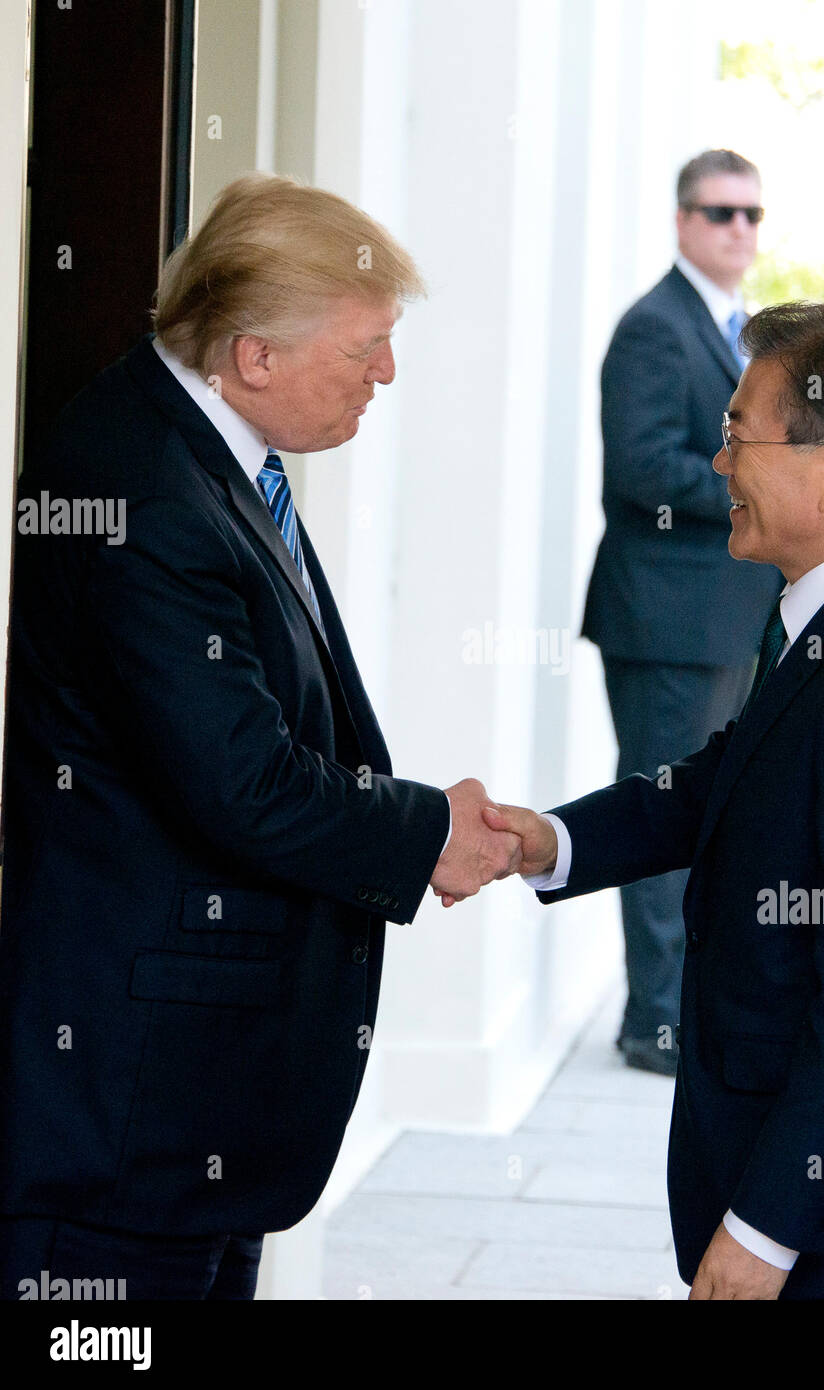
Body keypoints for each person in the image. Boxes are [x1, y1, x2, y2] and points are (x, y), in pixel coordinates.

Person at [0, 173, 518, 1301]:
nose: (386, 374)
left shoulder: (205, 454)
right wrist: (428, 829)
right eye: (367, 346)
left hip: (196, 1115)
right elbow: (242, 781)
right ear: (254, 355)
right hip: (131, 1123)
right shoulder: (140, 486)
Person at [478, 301, 824, 1299]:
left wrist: (773, 1222)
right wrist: (551, 840)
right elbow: (730, 778)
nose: (719, 461)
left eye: (739, 434)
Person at [581, 149, 782, 1077]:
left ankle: (678, 1009)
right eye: (719, 212)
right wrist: (753, 478)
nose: (738, 229)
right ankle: (652, 1022)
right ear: (680, 220)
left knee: (703, 818)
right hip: (664, 620)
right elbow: (641, 468)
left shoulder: (736, 329)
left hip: (721, 620)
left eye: (750, 214)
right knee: (664, 817)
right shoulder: (655, 328)